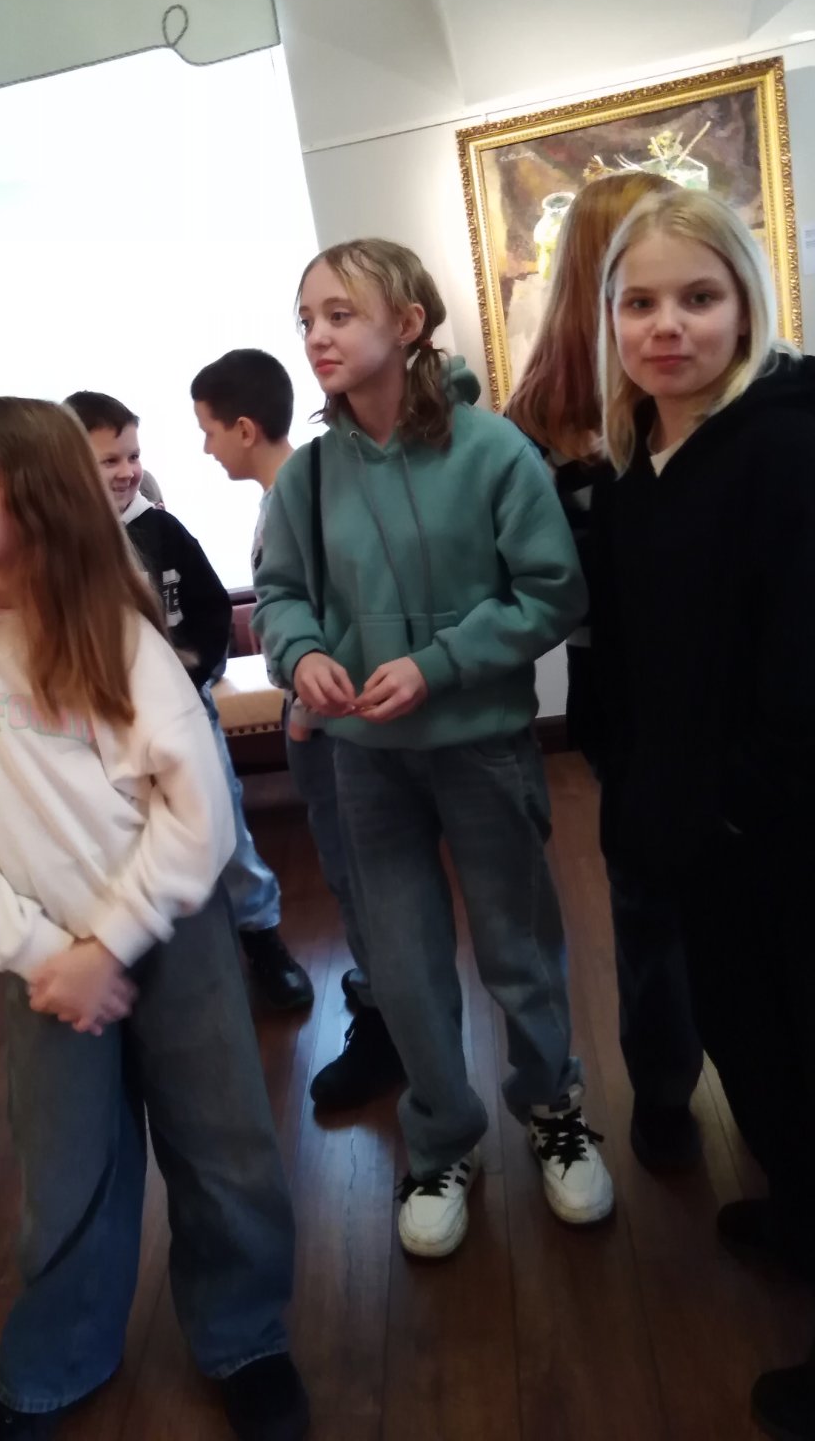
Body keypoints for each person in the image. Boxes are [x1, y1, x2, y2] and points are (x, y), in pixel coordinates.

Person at [0, 396, 307, 1441]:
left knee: (224, 1147)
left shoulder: (119, 637)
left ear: (42, 499)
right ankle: (57, 1358)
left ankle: (245, 1336)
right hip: (42, 960)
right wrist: (41, 952)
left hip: (173, 935)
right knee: (66, 1168)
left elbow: (197, 811)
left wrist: (113, 938)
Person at [253, 238, 614, 1259]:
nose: (317, 336)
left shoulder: (493, 450)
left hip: (482, 745)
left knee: (517, 948)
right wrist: (302, 655)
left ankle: (552, 1109)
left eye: (340, 313)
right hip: (365, 760)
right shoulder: (307, 476)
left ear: (409, 323)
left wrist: (440, 663)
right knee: (402, 959)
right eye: (306, 318)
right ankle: (442, 1139)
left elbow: (552, 591)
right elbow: (280, 595)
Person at [589, 188, 815, 1441]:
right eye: (640, 301)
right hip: (704, 840)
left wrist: (742, 805)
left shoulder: (793, 458)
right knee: (752, 1049)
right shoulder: (636, 473)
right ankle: (805, 1217)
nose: (668, 326)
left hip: (805, 843)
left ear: (745, 306)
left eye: (698, 298)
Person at [506, 171, 705, 1173]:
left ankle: (718, 1092)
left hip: (693, 682)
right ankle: (665, 1091)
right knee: (651, 895)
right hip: (629, 690)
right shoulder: (536, 425)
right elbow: (541, 588)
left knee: (713, 898)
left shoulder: (706, 394)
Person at [192, 349, 403, 1107]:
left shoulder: (299, 500)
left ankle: (388, 1027)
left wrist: (309, 715)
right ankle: (382, 993)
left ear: (245, 428)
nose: (206, 448)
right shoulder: (301, 492)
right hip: (322, 723)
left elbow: (330, 621)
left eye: (210, 430)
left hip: (332, 728)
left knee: (358, 876)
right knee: (355, 874)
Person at [66, 390, 313, 1012]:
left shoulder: (163, 531)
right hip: (99, 730)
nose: (126, 471)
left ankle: (260, 936)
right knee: (127, 840)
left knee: (219, 827)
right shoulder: (56, 553)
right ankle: (153, 955)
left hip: (184, 714)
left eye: (133, 456)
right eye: (108, 460)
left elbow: (210, 610)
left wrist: (193, 671)